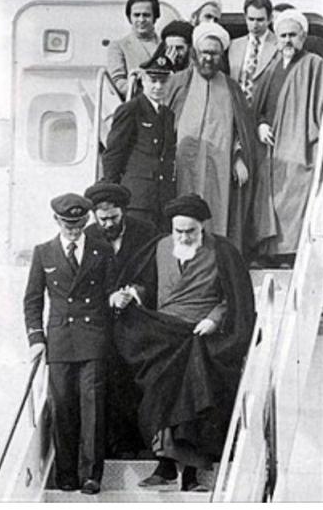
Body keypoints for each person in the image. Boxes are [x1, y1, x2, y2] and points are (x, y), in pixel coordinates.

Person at [109, 194, 255, 492]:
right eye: (179, 231)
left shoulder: (222, 251)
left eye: (191, 231)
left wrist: (214, 318)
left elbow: (234, 298)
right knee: (160, 395)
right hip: (163, 335)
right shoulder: (161, 247)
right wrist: (133, 293)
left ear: (202, 227)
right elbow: (146, 285)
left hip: (200, 336)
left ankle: (190, 475)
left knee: (193, 397)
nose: (185, 237)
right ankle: (164, 467)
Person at [23, 193, 117, 495]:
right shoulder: (44, 253)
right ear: (57, 221)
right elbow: (33, 300)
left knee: (93, 407)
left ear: (86, 220)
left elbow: (111, 289)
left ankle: (91, 475)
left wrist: (117, 299)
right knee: (62, 406)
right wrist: (36, 338)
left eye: (78, 225)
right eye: (68, 225)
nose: (74, 231)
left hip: (93, 337)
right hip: (60, 339)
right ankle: (66, 474)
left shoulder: (102, 250)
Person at [165, 22, 257, 254]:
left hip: (219, 168)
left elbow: (241, 130)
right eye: (204, 52)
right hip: (182, 167)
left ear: (221, 55)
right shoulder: (178, 82)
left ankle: (216, 259)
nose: (208, 58)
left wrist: (238, 157)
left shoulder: (232, 88)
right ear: (195, 52)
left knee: (217, 215)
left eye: (214, 53)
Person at [84, 182, 158, 458]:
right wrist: (110, 298)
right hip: (102, 322)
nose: (108, 224)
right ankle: (118, 446)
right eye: (102, 219)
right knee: (109, 381)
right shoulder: (88, 236)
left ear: (123, 211)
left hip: (138, 320)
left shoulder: (146, 232)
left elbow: (155, 273)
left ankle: (145, 443)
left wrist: (137, 292)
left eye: (113, 218)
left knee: (139, 379)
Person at [251, 10, 323, 267]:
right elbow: (260, 106)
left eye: (292, 35)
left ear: (303, 37)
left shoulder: (315, 65)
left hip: (297, 145)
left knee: (291, 199)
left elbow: (321, 111)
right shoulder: (272, 65)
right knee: (267, 199)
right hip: (269, 145)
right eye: (283, 35)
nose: (287, 40)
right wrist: (261, 124)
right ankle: (267, 254)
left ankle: (288, 255)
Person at [102, 53, 177, 231]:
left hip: (163, 200)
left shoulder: (168, 115)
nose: (158, 86)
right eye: (153, 80)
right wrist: (112, 196)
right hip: (137, 199)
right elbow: (113, 154)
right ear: (143, 80)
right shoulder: (130, 110)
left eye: (163, 81)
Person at [228, 0, 279, 105]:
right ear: (245, 17)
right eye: (251, 19)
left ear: (270, 19)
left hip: (265, 107)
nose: (255, 25)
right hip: (237, 106)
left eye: (260, 20)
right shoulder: (233, 45)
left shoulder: (279, 45)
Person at [107, 0, 161, 97]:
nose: (141, 19)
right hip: (136, 103)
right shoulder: (118, 47)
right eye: (136, 15)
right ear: (129, 18)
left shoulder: (167, 45)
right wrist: (140, 84)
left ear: (155, 17)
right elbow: (116, 83)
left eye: (146, 15)